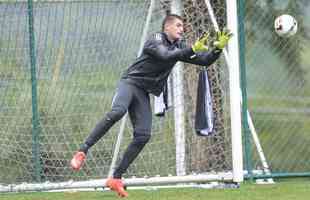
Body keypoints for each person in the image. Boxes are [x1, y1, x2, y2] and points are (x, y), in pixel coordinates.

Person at [70, 14, 232, 197]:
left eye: (183, 26)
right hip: (130, 83)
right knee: (118, 112)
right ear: (167, 27)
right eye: (178, 25)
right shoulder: (155, 40)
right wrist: (191, 49)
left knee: (143, 135)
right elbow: (164, 56)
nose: (182, 28)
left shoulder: (178, 47)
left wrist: (217, 49)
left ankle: (115, 178)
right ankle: (82, 151)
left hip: (142, 93)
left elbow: (204, 60)